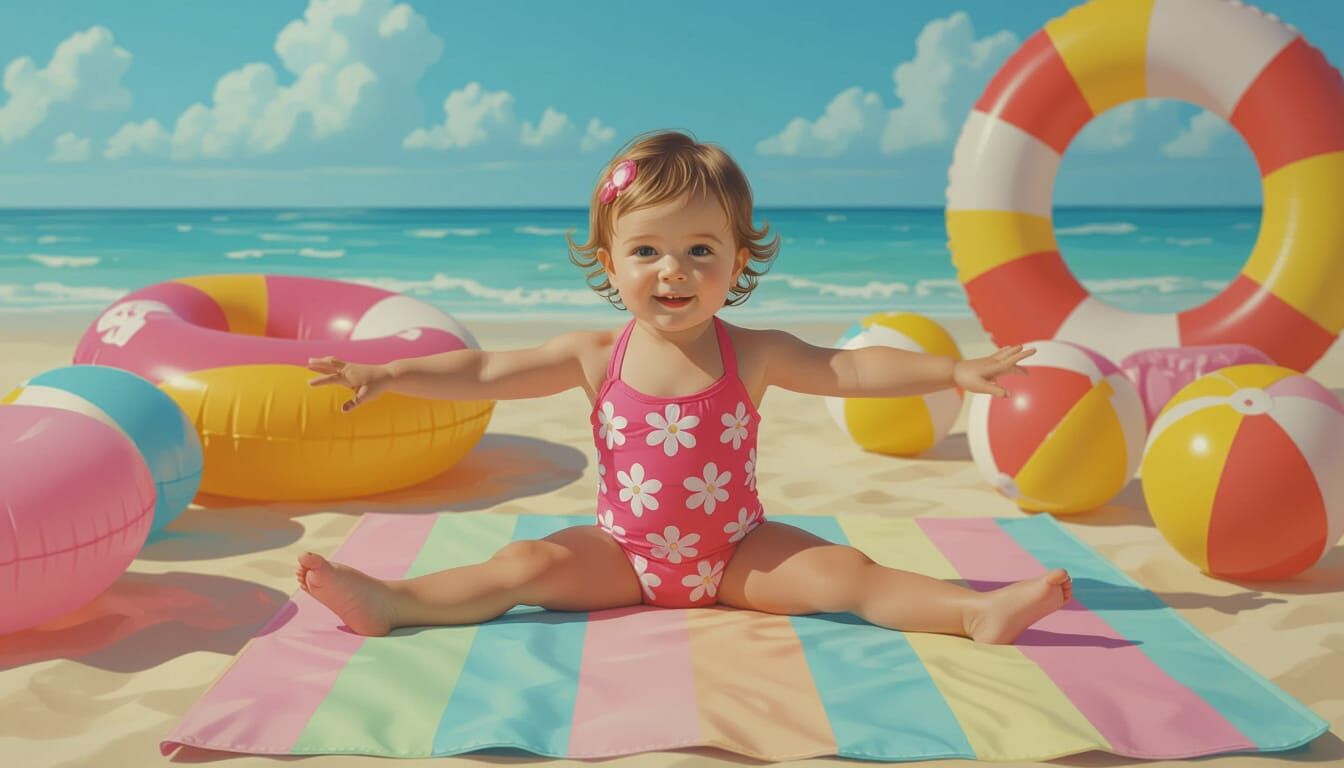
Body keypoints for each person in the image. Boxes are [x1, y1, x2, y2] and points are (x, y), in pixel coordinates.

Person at [297, 130, 1072, 644]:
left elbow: (851, 367)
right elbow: (488, 370)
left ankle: (974, 612)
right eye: (648, 250)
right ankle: (395, 603)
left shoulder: (754, 354)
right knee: (521, 568)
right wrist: (390, 372)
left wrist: (952, 370)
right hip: (620, 556)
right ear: (611, 264)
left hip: (739, 553)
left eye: (701, 249)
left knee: (848, 574)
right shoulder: (594, 354)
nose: (675, 270)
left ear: (739, 262)